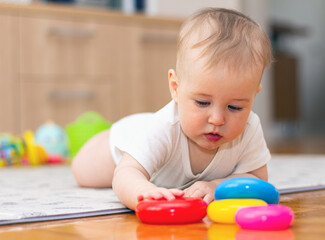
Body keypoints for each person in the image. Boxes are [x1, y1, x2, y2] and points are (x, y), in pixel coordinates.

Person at [72, 7, 272, 210]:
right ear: (175, 88)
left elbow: (258, 178)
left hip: (155, 139)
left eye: (234, 107)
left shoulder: (250, 127)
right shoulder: (163, 127)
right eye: (203, 103)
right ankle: (100, 133)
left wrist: (216, 186)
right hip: (122, 144)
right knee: (84, 172)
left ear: (253, 95)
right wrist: (144, 191)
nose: (217, 119)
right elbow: (126, 173)